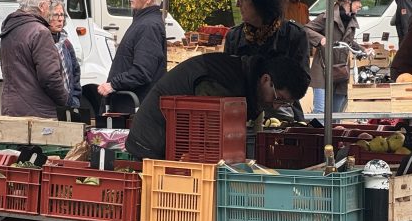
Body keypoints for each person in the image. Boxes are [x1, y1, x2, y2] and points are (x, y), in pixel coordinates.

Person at [125, 53, 310, 159]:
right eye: (279, 99)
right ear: (266, 80)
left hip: (169, 144)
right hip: (152, 143)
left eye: (285, 104)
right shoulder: (223, 82)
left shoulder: (247, 81)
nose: (277, 107)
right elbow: (208, 137)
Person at [224, 0, 310, 119]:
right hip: (243, 117)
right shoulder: (234, 36)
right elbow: (227, 81)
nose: (238, 4)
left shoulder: (294, 35)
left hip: (284, 117)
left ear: (262, 1)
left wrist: (275, 92)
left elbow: (301, 83)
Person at [98, 0, 167, 111]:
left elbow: (142, 71)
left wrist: (113, 85)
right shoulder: (144, 21)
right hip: (130, 105)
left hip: (133, 108)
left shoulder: (149, 26)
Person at [0, 0, 68, 117]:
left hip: (11, 107)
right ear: (41, 6)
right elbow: (50, 77)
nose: (50, 7)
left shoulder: (10, 28)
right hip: (38, 112)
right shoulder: (40, 32)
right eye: (49, 3)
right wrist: (64, 99)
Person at [305, 0, 366, 113]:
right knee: (320, 112)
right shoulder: (326, 17)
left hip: (340, 72)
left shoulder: (351, 20)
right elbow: (306, 29)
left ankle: (334, 127)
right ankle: (317, 127)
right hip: (323, 69)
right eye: (358, 2)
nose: (360, 5)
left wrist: (363, 50)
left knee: (336, 113)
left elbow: (348, 42)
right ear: (348, 1)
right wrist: (320, 39)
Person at [48, 0, 81, 108]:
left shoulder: (66, 43)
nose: (60, 19)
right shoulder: (41, 42)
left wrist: (75, 99)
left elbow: (75, 72)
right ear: (46, 16)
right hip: (48, 106)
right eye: (55, 15)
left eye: (62, 15)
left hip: (67, 105)